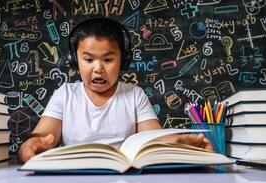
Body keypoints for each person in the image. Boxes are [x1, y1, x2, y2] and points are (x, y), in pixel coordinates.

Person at [19, 17, 213, 162]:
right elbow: (42, 136)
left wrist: (179, 142)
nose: (98, 68)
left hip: (125, 177)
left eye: (108, 59)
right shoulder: (65, 94)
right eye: (88, 59)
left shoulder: (134, 95)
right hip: (74, 178)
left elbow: (154, 138)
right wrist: (32, 145)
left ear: (123, 60)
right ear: (74, 60)